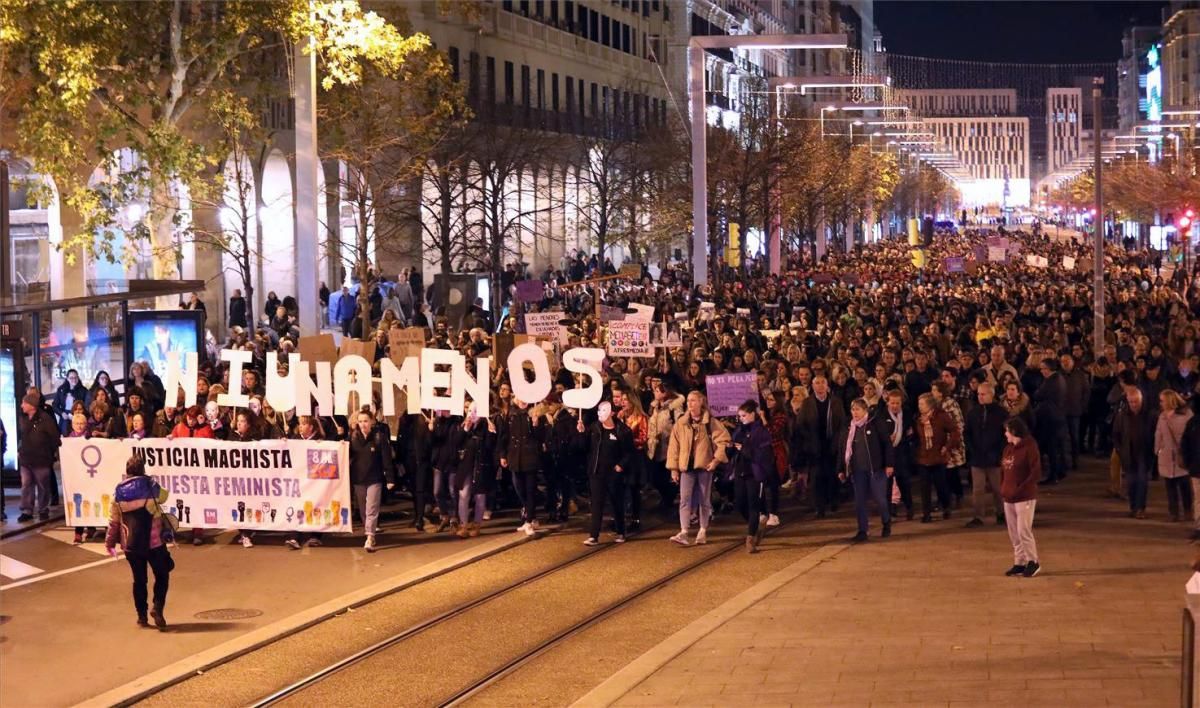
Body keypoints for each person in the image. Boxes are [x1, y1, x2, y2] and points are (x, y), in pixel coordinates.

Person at [104, 454, 175, 629]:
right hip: (154, 542)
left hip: (131, 544)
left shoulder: (118, 492)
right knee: (162, 574)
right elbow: (165, 496)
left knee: (139, 580)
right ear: (143, 469)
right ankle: (157, 608)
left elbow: (113, 521)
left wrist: (110, 543)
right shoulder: (150, 487)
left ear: (127, 472)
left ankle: (141, 616)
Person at [665, 391, 730, 546]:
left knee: (704, 499)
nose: (690, 404)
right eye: (688, 401)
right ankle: (684, 531)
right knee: (684, 499)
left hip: (704, 467)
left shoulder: (710, 422)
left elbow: (724, 440)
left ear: (701, 402)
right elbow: (674, 446)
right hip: (686, 467)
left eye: (693, 400)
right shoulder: (681, 423)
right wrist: (674, 468)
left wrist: (715, 461)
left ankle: (702, 530)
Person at [580, 401, 634, 546]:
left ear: (612, 413)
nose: (600, 413)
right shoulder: (594, 428)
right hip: (597, 472)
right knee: (597, 504)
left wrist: (620, 466)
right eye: (599, 410)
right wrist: (581, 433)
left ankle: (621, 531)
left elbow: (629, 452)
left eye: (604, 410)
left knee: (616, 503)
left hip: (614, 474)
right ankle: (593, 535)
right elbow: (584, 447)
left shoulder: (622, 431)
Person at [730, 400, 775, 552]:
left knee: (753, 504)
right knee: (740, 503)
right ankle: (756, 522)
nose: (741, 418)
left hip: (755, 473)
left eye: (743, 415)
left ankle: (751, 537)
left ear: (752, 415)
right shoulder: (739, 430)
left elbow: (763, 455)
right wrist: (729, 448)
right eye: (739, 416)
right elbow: (732, 450)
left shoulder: (761, 432)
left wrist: (744, 449)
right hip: (740, 472)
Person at [349, 408, 396, 552]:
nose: (363, 424)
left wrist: (390, 478)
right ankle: (369, 530)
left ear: (372, 422)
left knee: (372, 508)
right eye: (361, 421)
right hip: (358, 478)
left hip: (374, 478)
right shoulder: (353, 437)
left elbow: (386, 459)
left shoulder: (379, 437)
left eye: (366, 421)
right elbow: (346, 454)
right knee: (363, 508)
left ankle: (370, 536)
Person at [1000, 417, 1041, 578]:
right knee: (1013, 532)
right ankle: (1020, 562)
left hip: (1024, 497)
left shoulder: (1030, 447)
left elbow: (1035, 472)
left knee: (1023, 530)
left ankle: (1033, 561)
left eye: (1007, 431)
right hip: (1009, 496)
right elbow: (1004, 469)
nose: (1005, 434)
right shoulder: (1008, 448)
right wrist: (1003, 488)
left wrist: (1021, 489)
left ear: (1015, 431)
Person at [964, 382, 1008, 527]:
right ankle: (978, 516)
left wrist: (999, 452)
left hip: (994, 457)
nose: (980, 397)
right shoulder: (973, 412)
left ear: (992, 394)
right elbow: (967, 433)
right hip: (977, 457)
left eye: (983, 394)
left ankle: (1001, 513)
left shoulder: (1001, 413)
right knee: (978, 489)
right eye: (978, 394)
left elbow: (1005, 436)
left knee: (998, 488)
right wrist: (972, 449)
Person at [914, 393, 960, 523]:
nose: (919, 406)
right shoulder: (918, 419)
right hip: (923, 457)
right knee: (924, 487)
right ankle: (926, 513)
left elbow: (954, 431)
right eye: (919, 404)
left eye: (922, 404)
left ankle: (946, 507)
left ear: (929, 405)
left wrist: (947, 446)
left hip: (938, 457)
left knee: (941, 485)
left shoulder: (941, 416)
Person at [17, 392, 60, 522]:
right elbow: (21, 436)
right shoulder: (23, 418)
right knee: (26, 485)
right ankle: (26, 510)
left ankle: (43, 509)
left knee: (43, 485)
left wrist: (50, 453)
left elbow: (54, 437)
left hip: (41, 459)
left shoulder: (45, 419)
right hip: (26, 458)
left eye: (24, 403)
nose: (21, 405)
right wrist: (20, 450)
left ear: (31, 405)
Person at [1114, 388, 1156, 519]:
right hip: (1128, 454)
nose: (1134, 405)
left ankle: (1140, 508)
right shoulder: (1122, 415)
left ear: (1141, 400)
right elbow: (1116, 435)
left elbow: (1155, 434)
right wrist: (1120, 451)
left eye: (1136, 402)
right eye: (1131, 402)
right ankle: (1133, 507)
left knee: (1142, 482)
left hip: (1144, 453)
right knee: (1131, 482)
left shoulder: (1150, 415)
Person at [1155, 390, 1194, 523]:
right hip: (1166, 455)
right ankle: (1173, 512)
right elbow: (1158, 434)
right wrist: (1158, 449)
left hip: (1181, 455)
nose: (1160, 403)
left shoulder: (1186, 415)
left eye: (1162, 400)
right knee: (1170, 487)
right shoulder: (1162, 416)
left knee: (1185, 486)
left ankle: (1188, 510)